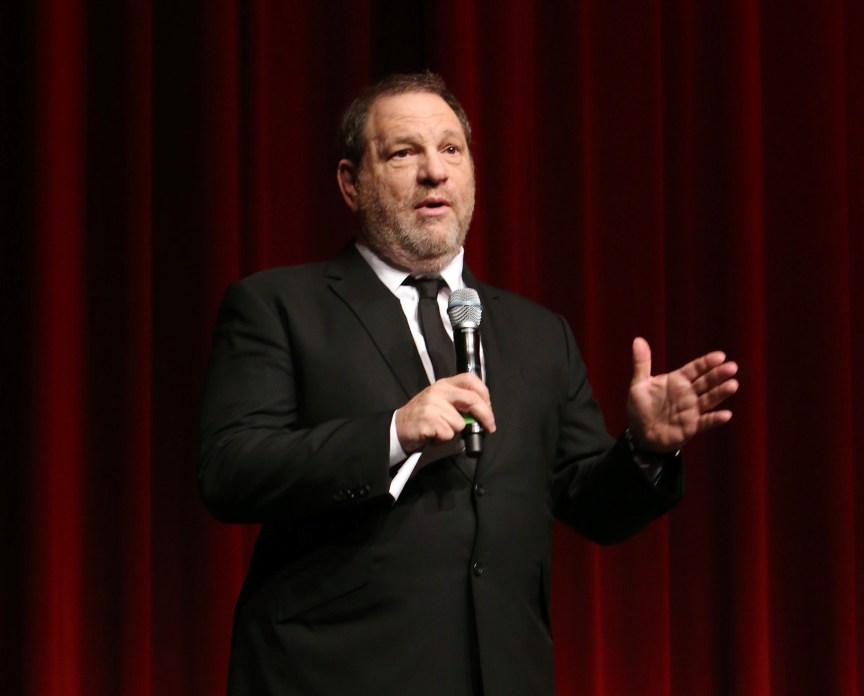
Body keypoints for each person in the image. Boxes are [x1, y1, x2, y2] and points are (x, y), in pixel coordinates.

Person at [199, 71, 739, 696]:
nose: (435, 172)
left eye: (451, 149)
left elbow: (592, 505)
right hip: (333, 672)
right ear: (351, 183)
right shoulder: (279, 306)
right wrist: (393, 433)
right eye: (405, 152)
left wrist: (644, 448)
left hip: (500, 673)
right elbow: (230, 469)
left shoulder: (540, 334)